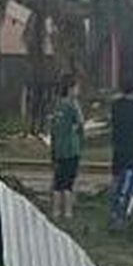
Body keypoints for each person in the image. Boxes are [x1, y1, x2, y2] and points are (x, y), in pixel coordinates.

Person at [109, 81, 133, 227]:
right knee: (130, 184)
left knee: (117, 181)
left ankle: (114, 213)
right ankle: (126, 214)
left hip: (118, 149)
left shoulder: (116, 106)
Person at [49, 75, 84, 221]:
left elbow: (53, 128)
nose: (78, 90)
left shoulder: (57, 105)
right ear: (70, 89)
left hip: (58, 149)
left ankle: (56, 211)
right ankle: (68, 212)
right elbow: (81, 123)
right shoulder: (72, 105)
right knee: (68, 183)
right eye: (76, 87)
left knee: (58, 182)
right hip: (71, 149)